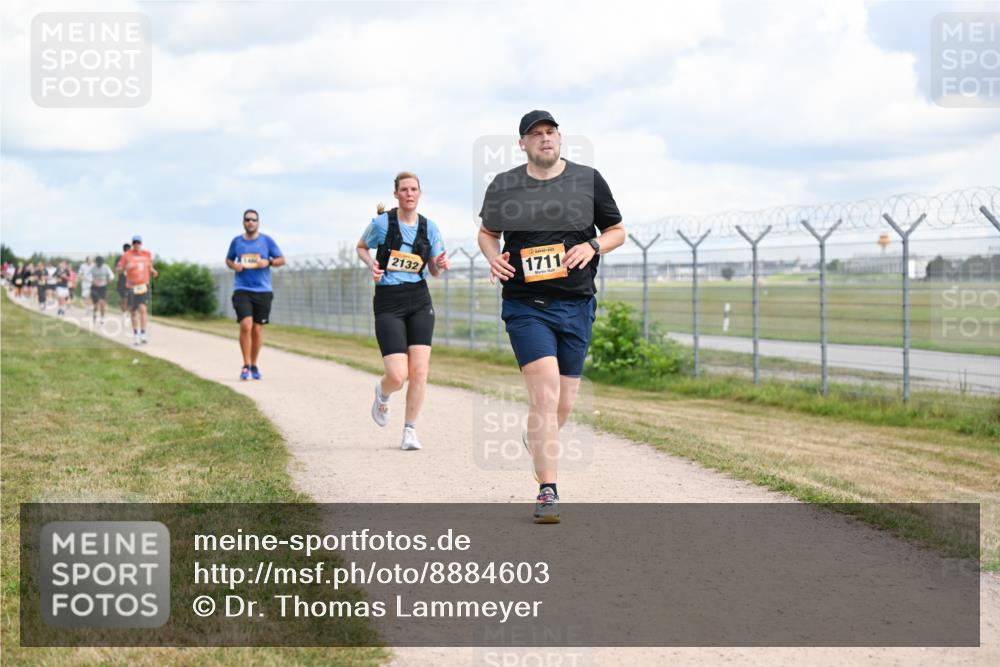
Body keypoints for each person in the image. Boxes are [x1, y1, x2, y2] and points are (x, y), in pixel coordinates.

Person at [478, 110, 625, 523]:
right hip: (526, 305)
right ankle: (548, 491)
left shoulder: (587, 180)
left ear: (559, 138)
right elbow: (488, 233)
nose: (545, 139)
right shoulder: (505, 185)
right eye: (535, 134)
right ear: (522, 143)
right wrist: (494, 259)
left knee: (562, 403)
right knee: (544, 396)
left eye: (550, 132)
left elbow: (617, 230)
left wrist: (594, 246)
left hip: (576, 304)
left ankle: (537, 437)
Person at [356, 172, 450, 451]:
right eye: (404, 190)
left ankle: (410, 430)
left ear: (420, 194)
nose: (409, 194)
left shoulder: (430, 228)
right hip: (389, 300)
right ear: (396, 194)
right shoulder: (382, 224)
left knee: (419, 372)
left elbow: (433, 270)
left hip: (419, 299)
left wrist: (440, 264)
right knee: (398, 375)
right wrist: (370, 263)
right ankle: (383, 393)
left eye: (414, 189)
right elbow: (361, 247)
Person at [225, 209, 285, 380]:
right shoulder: (237, 242)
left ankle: (254, 365)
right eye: (247, 219)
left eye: (253, 219)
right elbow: (228, 259)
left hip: (263, 290)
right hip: (242, 289)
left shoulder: (266, 241)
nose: (250, 222)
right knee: (246, 325)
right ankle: (245, 365)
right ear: (243, 222)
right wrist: (233, 265)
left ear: (258, 222)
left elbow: (282, 260)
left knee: (257, 329)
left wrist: (269, 261)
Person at [121, 235, 158, 344]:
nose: (137, 244)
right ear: (132, 244)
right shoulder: (126, 255)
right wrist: (125, 268)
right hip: (132, 286)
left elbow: (149, 266)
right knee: (133, 312)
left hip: (144, 286)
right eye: (135, 242)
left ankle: (143, 333)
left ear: (141, 243)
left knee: (143, 309)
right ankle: (135, 334)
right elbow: (119, 269)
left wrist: (153, 270)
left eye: (138, 242)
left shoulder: (147, 254)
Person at [90, 256, 114, 324]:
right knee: (96, 304)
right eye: (98, 263)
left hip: (103, 287)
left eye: (101, 263)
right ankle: (95, 313)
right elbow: (87, 275)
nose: (100, 264)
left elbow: (111, 275)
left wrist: (109, 280)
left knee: (102, 303)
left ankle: (102, 318)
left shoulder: (106, 267)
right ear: (96, 262)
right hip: (94, 287)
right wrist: (92, 281)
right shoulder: (93, 267)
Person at [116, 243, 131, 322]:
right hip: (122, 281)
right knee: (125, 298)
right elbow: (117, 269)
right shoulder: (120, 258)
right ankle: (125, 315)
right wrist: (124, 268)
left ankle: (126, 313)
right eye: (126, 250)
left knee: (130, 299)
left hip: (132, 282)